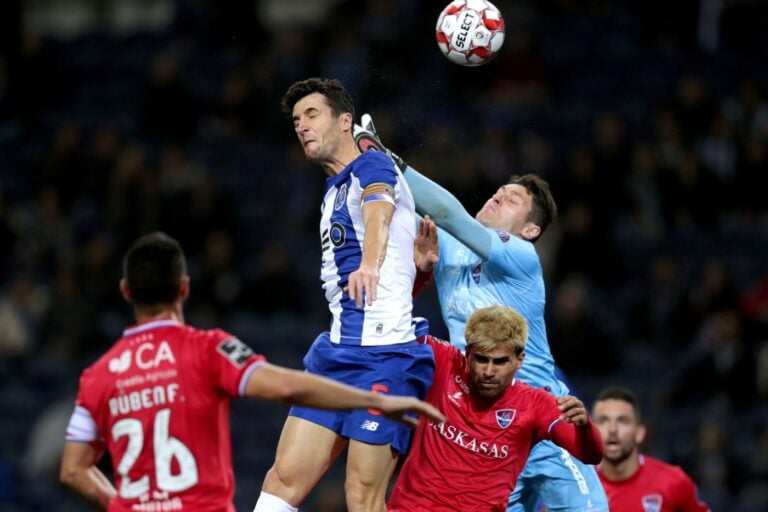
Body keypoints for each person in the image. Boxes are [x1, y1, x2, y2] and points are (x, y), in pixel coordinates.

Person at [59, 232, 444, 511]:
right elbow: (286, 388)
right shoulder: (209, 349)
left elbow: (73, 471)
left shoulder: (98, 375)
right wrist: (371, 399)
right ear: (183, 288)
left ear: (126, 291)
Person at [353, 115, 610, 511]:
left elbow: (450, 213)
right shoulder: (446, 248)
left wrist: (387, 159)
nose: (496, 197)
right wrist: (422, 268)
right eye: (498, 191)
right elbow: (397, 297)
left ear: (530, 230)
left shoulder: (522, 256)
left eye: (512, 200)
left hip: (541, 420)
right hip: (489, 437)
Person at [253, 78, 436, 512]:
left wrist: (369, 262)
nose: (301, 126)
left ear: (345, 121)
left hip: (386, 357)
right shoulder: (333, 189)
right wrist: (417, 272)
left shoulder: (372, 167)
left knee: (361, 497)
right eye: (296, 120)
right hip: (337, 353)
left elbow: (379, 209)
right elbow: (391, 276)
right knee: (282, 480)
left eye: (312, 114)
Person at [388, 305, 604, 511]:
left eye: (500, 362)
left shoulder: (536, 404)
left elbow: (591, 456)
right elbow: (392, 325)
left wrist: (585, 427)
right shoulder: (444, 360)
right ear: (468, 352)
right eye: (481, 359)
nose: (488, 371)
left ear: (520, 360)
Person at [592, 386, 711, 512]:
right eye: (603, 421)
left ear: (639, 433)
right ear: (592, 431)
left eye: (623, 421)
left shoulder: (674, 482)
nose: (612, 430)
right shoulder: (577, 486)